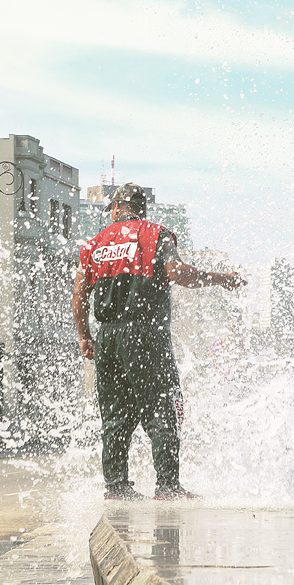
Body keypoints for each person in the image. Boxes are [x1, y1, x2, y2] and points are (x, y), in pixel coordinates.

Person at [72, 182, 245, 501]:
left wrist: (85, 336)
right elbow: (178, 273)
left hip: (108, 337)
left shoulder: (95, 244)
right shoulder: (155, 235)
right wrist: (221, 279)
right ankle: (167, 486)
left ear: (116, 209)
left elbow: (80, 295)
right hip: (145, 335)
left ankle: (117, 486)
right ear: (142, 209)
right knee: (162, 408)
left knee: (115, 414)